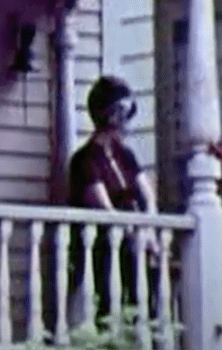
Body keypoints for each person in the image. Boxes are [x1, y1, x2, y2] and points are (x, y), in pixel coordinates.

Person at [68, 75, 159, 323]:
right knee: (111, 305)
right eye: (119, 110)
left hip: (135, 240)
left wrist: (148, 229)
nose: (124, 118)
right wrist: (133, 231)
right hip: (106, 246)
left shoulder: (125, 155)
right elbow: (105, 208)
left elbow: (147, 195)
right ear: (105, 113)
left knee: (147, 298)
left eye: (127, 110)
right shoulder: (86, 160)